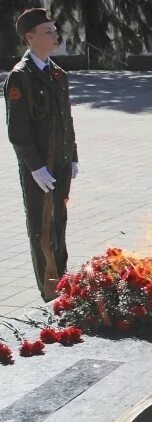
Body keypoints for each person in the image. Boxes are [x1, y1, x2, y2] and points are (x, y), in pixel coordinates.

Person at [4, 8, 78, 301]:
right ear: (30, 37)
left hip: (60, 163)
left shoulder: (58, 74)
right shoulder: (20, 78)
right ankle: (51, 293)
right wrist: (35, 167)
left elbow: (66, 119)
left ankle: (62, 283)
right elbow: (17, 131)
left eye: (54, 29)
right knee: (42, 230)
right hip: (41, 168)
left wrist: (73, 155)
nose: (54, 34)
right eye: (47, 31)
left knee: (59, 224)